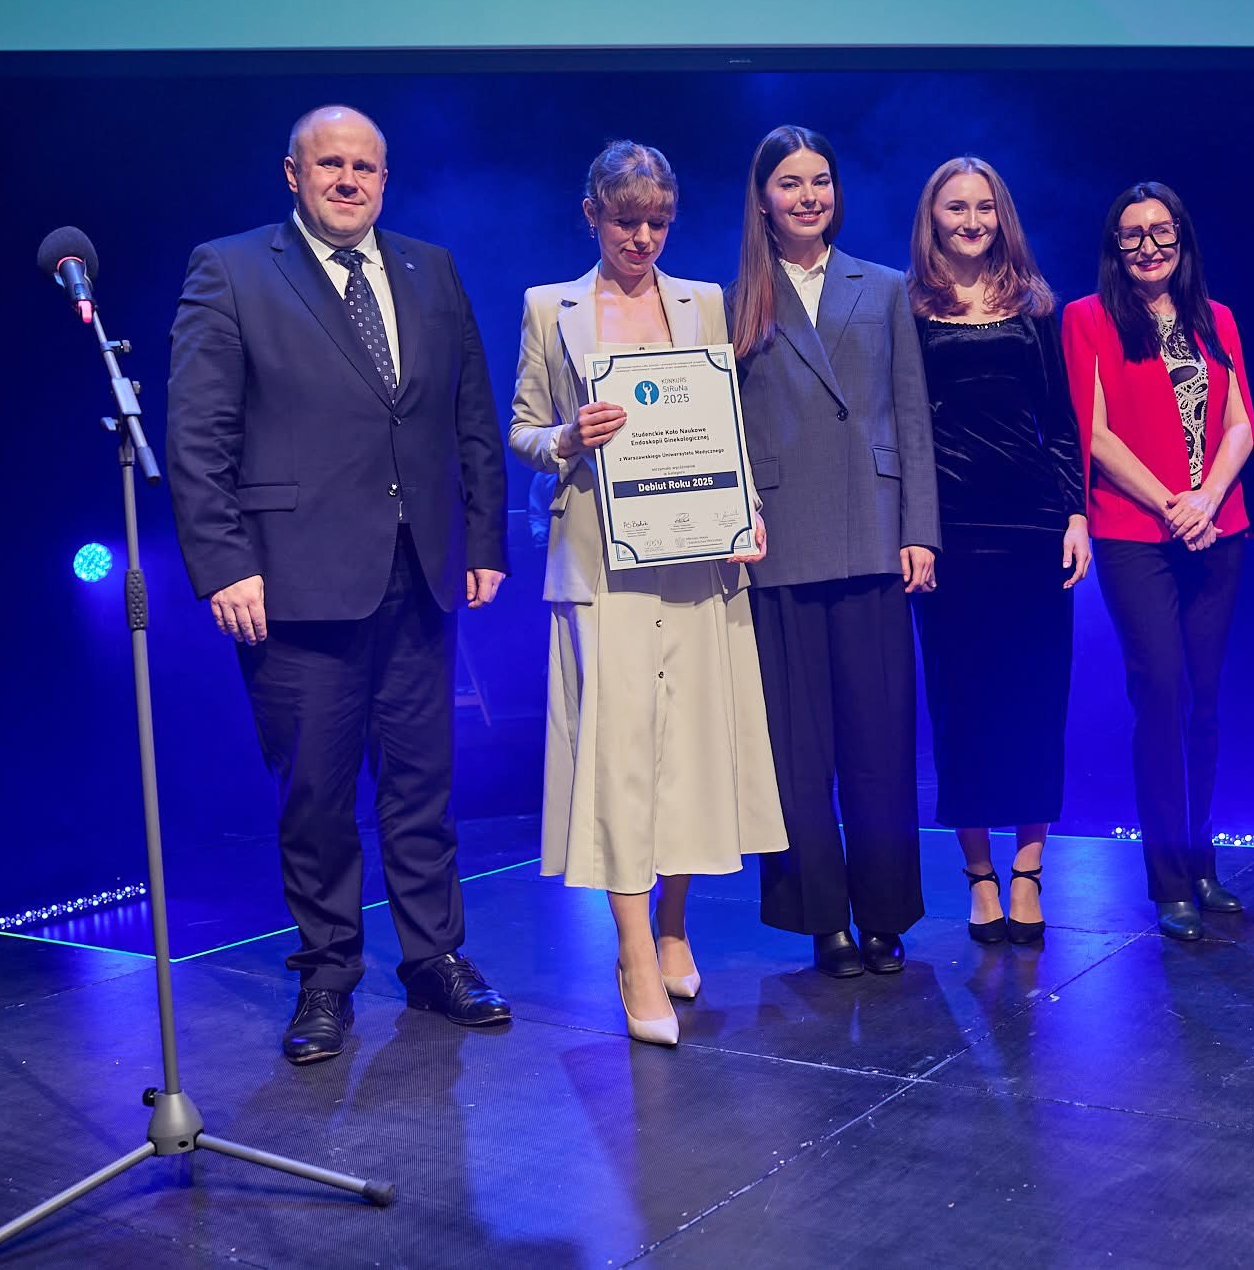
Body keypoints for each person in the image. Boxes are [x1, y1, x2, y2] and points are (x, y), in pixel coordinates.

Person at [167, 104, 513, 1064]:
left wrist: (484, 536)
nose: (349, 180)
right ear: (293, 173)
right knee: (316, 793)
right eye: (331, 164)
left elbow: (469, 416)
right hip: (291, 580)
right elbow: (198, 436)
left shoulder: (430, 268)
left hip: (422, 572)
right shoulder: (231, 269)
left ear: (384, 179)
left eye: (366, 166)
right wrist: (223, 560)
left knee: (422, 783)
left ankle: (435, 957)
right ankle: (326, 974)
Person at [508, 141, 786, 1046]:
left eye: (659, 221)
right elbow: (520, 428)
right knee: (621, 757)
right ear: (590, 212)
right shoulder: (550, 308)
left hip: (698, 558)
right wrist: (566, 438)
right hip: (601, 567)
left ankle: (673, 925)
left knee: (689, 753)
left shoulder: (701, 300)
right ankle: (633, 952)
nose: (644, 237)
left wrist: (744, 509)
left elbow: (723, 424)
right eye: (627, 219)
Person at [729, 125, 939, 978]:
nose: (808, 195)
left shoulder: (884, 286)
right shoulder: (734, 295)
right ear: (764, 198)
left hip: (872, 531)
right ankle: (824, 919)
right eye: (790, 182)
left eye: (820, 180)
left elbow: (913, 412)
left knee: (881, 739)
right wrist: (731, 512)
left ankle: (885, 912)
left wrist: (920, 527)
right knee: (797, 747)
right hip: (779, 539)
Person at [1063, 181, 1254, 943]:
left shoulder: (1218, 321)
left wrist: (1208, 499)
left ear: (1182, 237)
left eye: (1161, 231)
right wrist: (1171, 504)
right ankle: (1169, 876)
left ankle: (1203, 858)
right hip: (1134, 534)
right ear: (1115, 247)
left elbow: (1242, 422)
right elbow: (1096, 433)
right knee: (1161, 690)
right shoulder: (1088, 319)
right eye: (1132, 234)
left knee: (1204, 700)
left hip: (1218, 528)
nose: (1148, 245)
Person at [905, 157, 1088, 946]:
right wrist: (915, 527)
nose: (972, 219)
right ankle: (978, 873)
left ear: (1001, 214)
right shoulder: (905, 307)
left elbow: (1061, 418)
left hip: (1031, 527)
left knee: (1036, 698)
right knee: (961, 702)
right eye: (956, 207)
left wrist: (1074, 513)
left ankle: (1029, 870)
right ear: (933, 218)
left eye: (984, 206)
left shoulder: (1034, 305)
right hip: (948, 532)